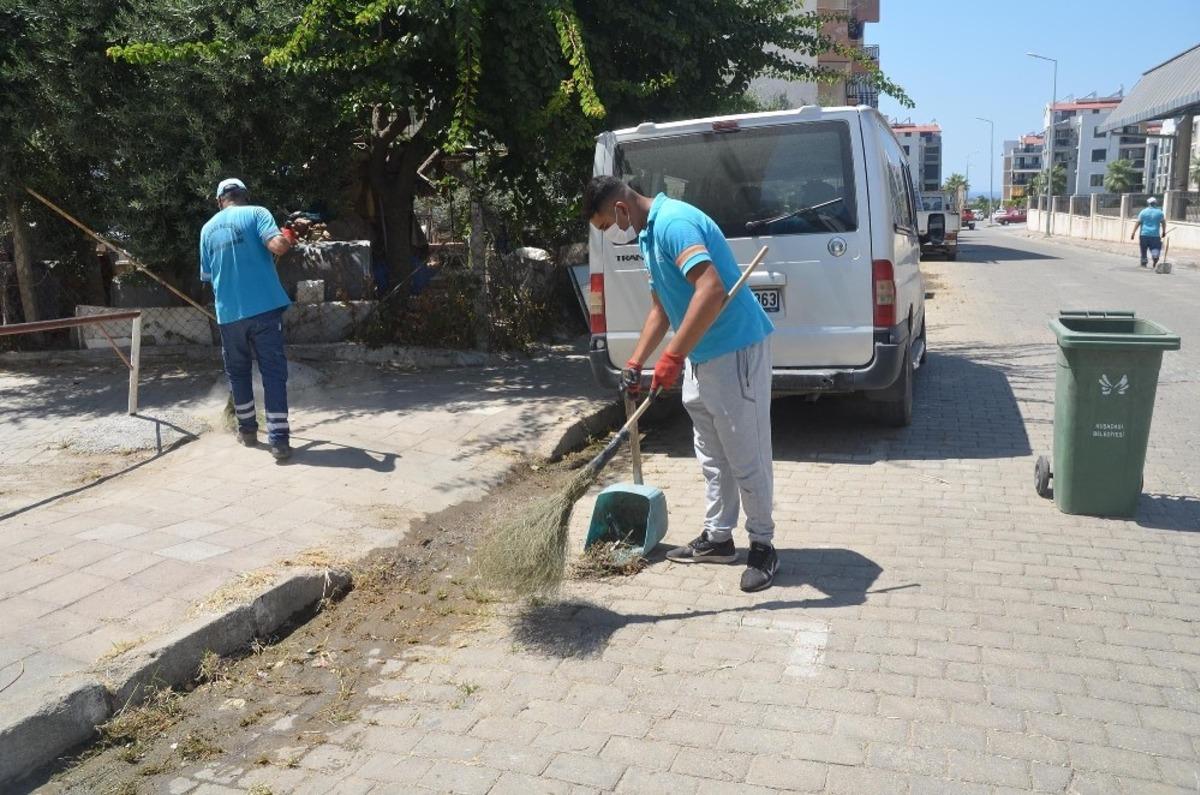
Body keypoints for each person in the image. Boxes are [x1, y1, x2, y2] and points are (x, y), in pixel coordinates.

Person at [582, 176, 779, 592]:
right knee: (713, 456)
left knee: (747, 454)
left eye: (607, 225)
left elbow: (710, 290)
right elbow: (662, 305)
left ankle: (762, 544)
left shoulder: (673, 223)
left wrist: (671, 356)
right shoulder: (649, 235)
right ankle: (718, 538)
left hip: (734, 349)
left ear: (620, 207)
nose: (613, 233)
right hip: (702, 355)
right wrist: (637, 360)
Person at [200, 178, 298, 460]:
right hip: (265, 309)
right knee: (273, 373)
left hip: (229, 315)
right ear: (243, 195)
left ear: (220, 200)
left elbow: (208, 276)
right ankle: (279, 441)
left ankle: (247, 432)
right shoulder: (257, 213)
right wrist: (288, 235)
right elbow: (278, 246)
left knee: (238, 372)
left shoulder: (207, 229)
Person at [1131, 197, 1167, 269]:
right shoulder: (1159, 212)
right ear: (1155, 203)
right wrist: (1163, 232)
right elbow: (1163, 223)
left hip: (1144, 234)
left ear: (1148, 203)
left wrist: (1133, 233)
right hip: (1155, 235)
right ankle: (1155, 256)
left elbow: (1138, 223)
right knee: (1155, 248)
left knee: (1143, 249)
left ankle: (1144, 263)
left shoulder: (1143, 212)